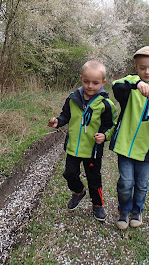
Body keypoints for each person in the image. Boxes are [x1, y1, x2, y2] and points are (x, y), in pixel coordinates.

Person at [108, 46, 149, 230]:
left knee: (141, 184)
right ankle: (123, 211)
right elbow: (116, 85)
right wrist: (135, 83)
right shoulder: (129, 87)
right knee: (125, 182)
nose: (147, 71)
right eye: (142, 67)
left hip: (145, 149)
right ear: (136, 67)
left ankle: (137, 210)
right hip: (124, 145)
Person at [48, 60, 117, 221]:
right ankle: (79, 191)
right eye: (86, 81)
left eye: (95, 83)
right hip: (73, 147)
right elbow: (65, 115)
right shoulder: (73, 98)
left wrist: (105, 136)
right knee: (69, 174)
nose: (90, 86)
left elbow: (111, 125)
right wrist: (58, 121)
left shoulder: (106, 104)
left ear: (103, 83)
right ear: (81, 79)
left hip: (92, 150)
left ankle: (98, 205)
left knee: (94, 179)